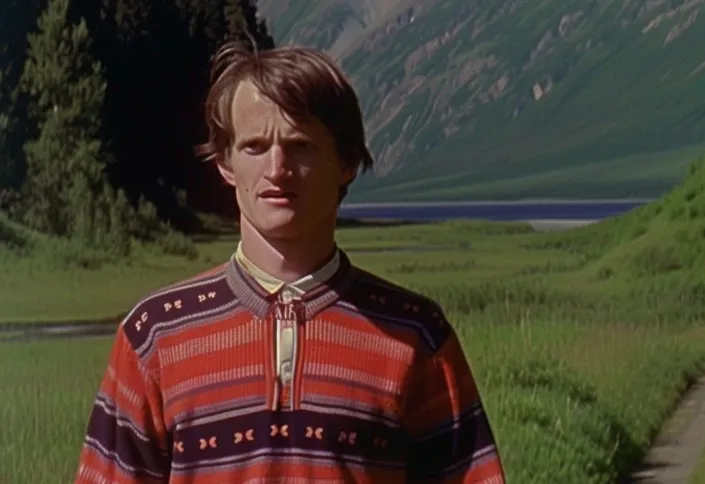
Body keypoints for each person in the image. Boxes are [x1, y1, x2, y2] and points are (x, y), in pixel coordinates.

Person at [75, 40, 506, 483]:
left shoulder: (417, 333)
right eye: (255, 146)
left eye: (300, 146)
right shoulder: (155, 334)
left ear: (346, 162)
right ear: (225, 162)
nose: (277, 168)